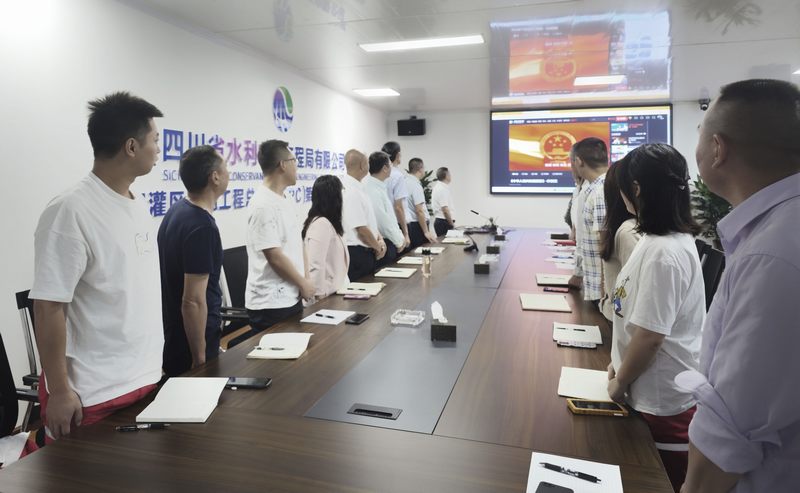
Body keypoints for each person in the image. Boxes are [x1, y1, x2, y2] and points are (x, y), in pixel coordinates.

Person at [681, 79, 800, 493]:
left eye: (699, 133)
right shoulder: (775, 233)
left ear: (717, 149)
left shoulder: (772, 254)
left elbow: (729, 430)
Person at [28, 92, 164, 445]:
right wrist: (59, 391)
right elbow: (48, 306)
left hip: (144, 378)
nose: (158, 149)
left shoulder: (138, 205)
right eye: (155, 140)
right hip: (92, 392)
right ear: (131, 146)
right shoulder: (70, 210)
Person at [607, 143, 705, 492]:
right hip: (646, 386)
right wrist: (619, 359)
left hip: (661, 401)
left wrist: (620, 382)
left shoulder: (664, 252)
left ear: (636, 189)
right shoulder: (656, 239)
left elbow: (651, 336)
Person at [157, 145, 229, 377]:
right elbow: (193, 301)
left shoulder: (178, 211)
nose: (229, 173)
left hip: (175, 334)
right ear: (215, 177)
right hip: (193, 341)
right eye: (226, 167)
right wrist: (199, 357)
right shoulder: (202, 227)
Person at [240, 139, 314, 346]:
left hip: (290, 294)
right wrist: (303, 283)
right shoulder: (263, 204)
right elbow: (274, 256)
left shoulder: (285, 198)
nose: (297, 166)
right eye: (294, 161)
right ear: (282, 164)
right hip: (270, 302)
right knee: (277, 361)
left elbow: (298, 242)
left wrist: (305, 280)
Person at [568, 137, 608, 304]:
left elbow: (604, 244)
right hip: (597, 288)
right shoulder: (597, 188)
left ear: (578, 161)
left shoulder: (599, 192)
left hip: (601, 292)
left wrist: (605, 295)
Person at [598, 162, 640, 322]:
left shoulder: (628, 232)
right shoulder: (625, 228)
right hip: (614, 317)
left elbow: (636, 287)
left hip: (619, 321)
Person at [302, 175, 350, 298]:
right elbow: (315, 263)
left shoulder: (330, 222)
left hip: (335, 291)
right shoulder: (321, 224)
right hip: (324, 296)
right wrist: (318, 294)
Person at [342, 149, 386, 280]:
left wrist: (380, 240)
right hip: (358, 253)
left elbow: (369, 221)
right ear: (362, 165)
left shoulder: (358, 187)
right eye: (367, 163)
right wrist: (378, 247)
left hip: (366, 250)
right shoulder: (351, 191)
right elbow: (361, 229)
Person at [363, 151, 404, 268]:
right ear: (385, 168)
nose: (392, 168)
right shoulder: (372, 190)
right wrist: (398, 241)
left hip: (389, 240)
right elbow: (382, 221)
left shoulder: (379, 186)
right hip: (384, 244)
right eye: (390, 165)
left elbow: (389, 218)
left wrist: (399, 237)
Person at [381, 141, 411, 251]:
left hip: (384, 224)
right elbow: (398, 207)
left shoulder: (379, 174)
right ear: (398, 155)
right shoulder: (397, 176)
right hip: (398, 224)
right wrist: (405, 233)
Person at [404, 157, 437, 249]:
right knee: (423, 253)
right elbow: (419, 210)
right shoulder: (415, 185)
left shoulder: (404, 182)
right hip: (418, 227)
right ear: (420, 169)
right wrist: (426, 232)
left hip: (410, 226)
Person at [431, 167, 455, 237]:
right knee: (447, 243)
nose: (451, 176)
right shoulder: (442, 189)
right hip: (444, 222)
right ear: (446, 176)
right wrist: (451, 224)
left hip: (442, 221)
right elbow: (445, 210)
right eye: (449, 174)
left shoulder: (439, 187)